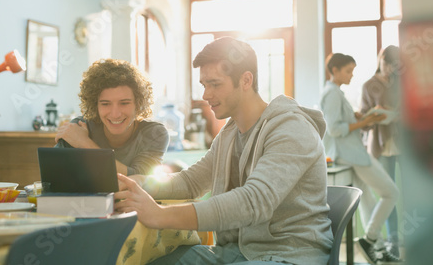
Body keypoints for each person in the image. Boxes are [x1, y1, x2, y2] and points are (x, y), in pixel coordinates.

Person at [114, 37, 333, 265]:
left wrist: (159, 215)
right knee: (156, 261)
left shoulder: (292, 128)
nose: (206, 95)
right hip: (237, 253)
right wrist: (135, 182)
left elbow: (253, 201)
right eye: (204, 85)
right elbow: (191, 182)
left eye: (215, 84)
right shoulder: (230, 133)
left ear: (246, 80)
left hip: (289, 256)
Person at [320, 53, 401, 264]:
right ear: (334, 70)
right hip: (351, 155)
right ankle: (370, 239)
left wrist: (362, 117)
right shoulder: (332, 94)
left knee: (367, 202)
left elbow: (342, 122)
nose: (352, 75)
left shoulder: (337, 93)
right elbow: (335, 129)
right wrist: (366, 121)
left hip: (351, 153)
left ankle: (379, 249)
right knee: (391, 192)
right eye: (348, 71)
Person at [55, 58, 169, 176]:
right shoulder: (80, 127)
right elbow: (55, 177)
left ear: (138, 104)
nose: (115, 114)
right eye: (105, 104)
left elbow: (140, 180)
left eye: (124, 103)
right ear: (95, 105)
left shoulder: (154, 133)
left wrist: (85, 143)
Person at [360, 45, 401, 256]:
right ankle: (392, 244)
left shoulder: (401, 83)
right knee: (390, 194)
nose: (388, 69)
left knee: (411, 193)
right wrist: (376, 116)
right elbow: (364, 120)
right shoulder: (369, 85)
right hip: (381, 145)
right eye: (386, 64)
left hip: (402, 143)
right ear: (380, 60)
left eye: (393, 65)